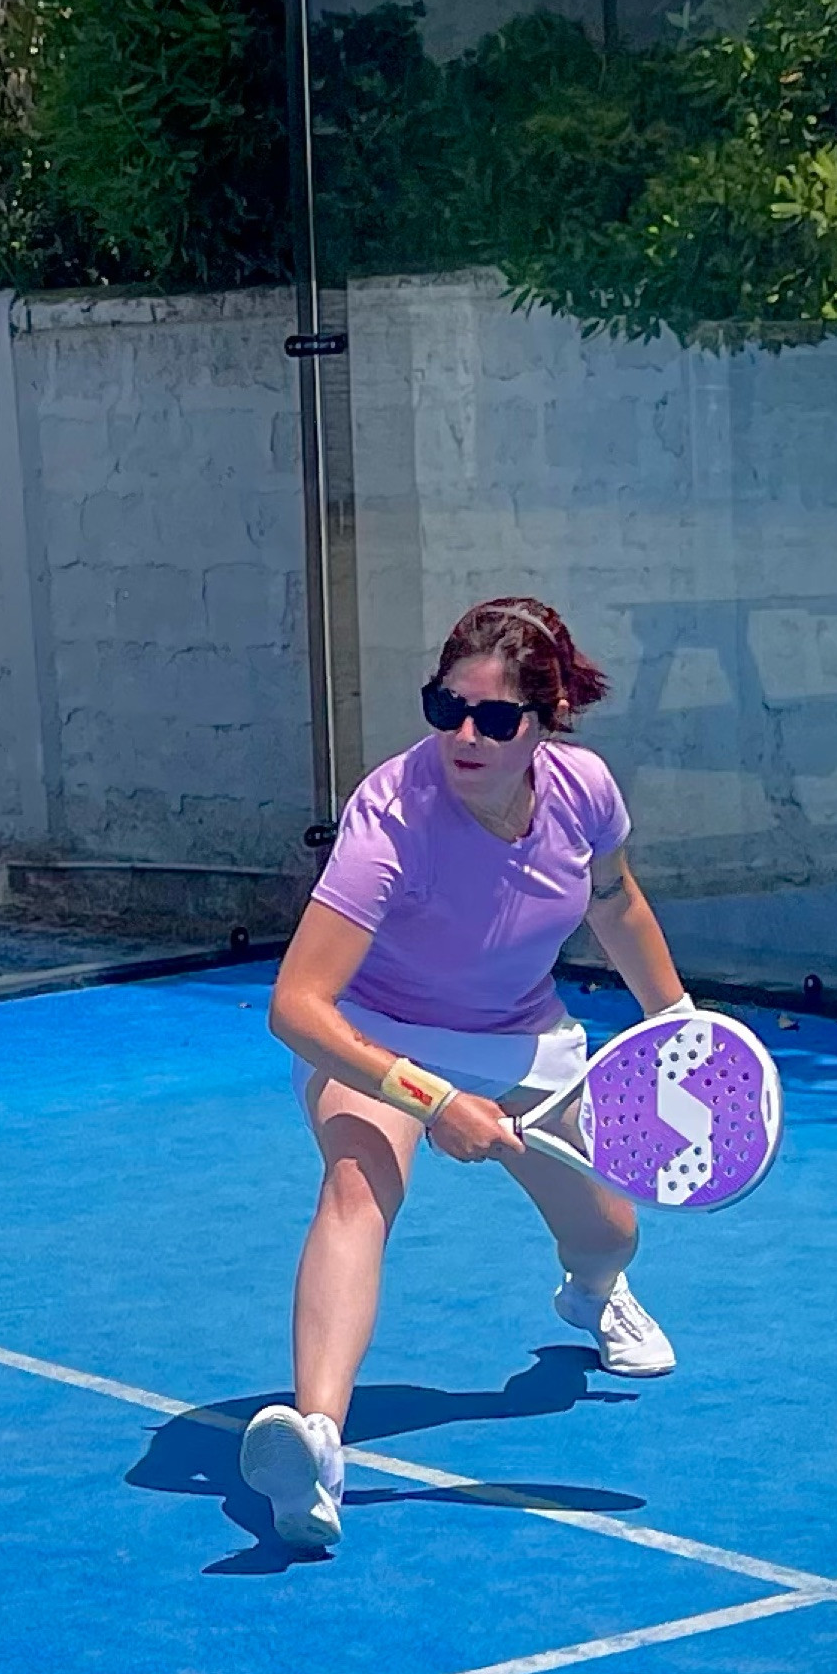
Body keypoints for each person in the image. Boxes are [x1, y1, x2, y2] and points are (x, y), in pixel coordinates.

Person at [244, 596, 694, 1551]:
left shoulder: (584, 791)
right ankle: (317, 1443)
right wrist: (436, 1101)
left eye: (493, 717)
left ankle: (591, 1291)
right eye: (446, 709)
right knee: (358, 1183)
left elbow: (615, 899)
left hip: (522, 1039)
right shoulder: (391, 815)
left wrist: (679, 1026)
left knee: (610, 1232)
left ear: (547, 719)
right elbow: (298, 1007)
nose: (464, 736)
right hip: (378, 1033)